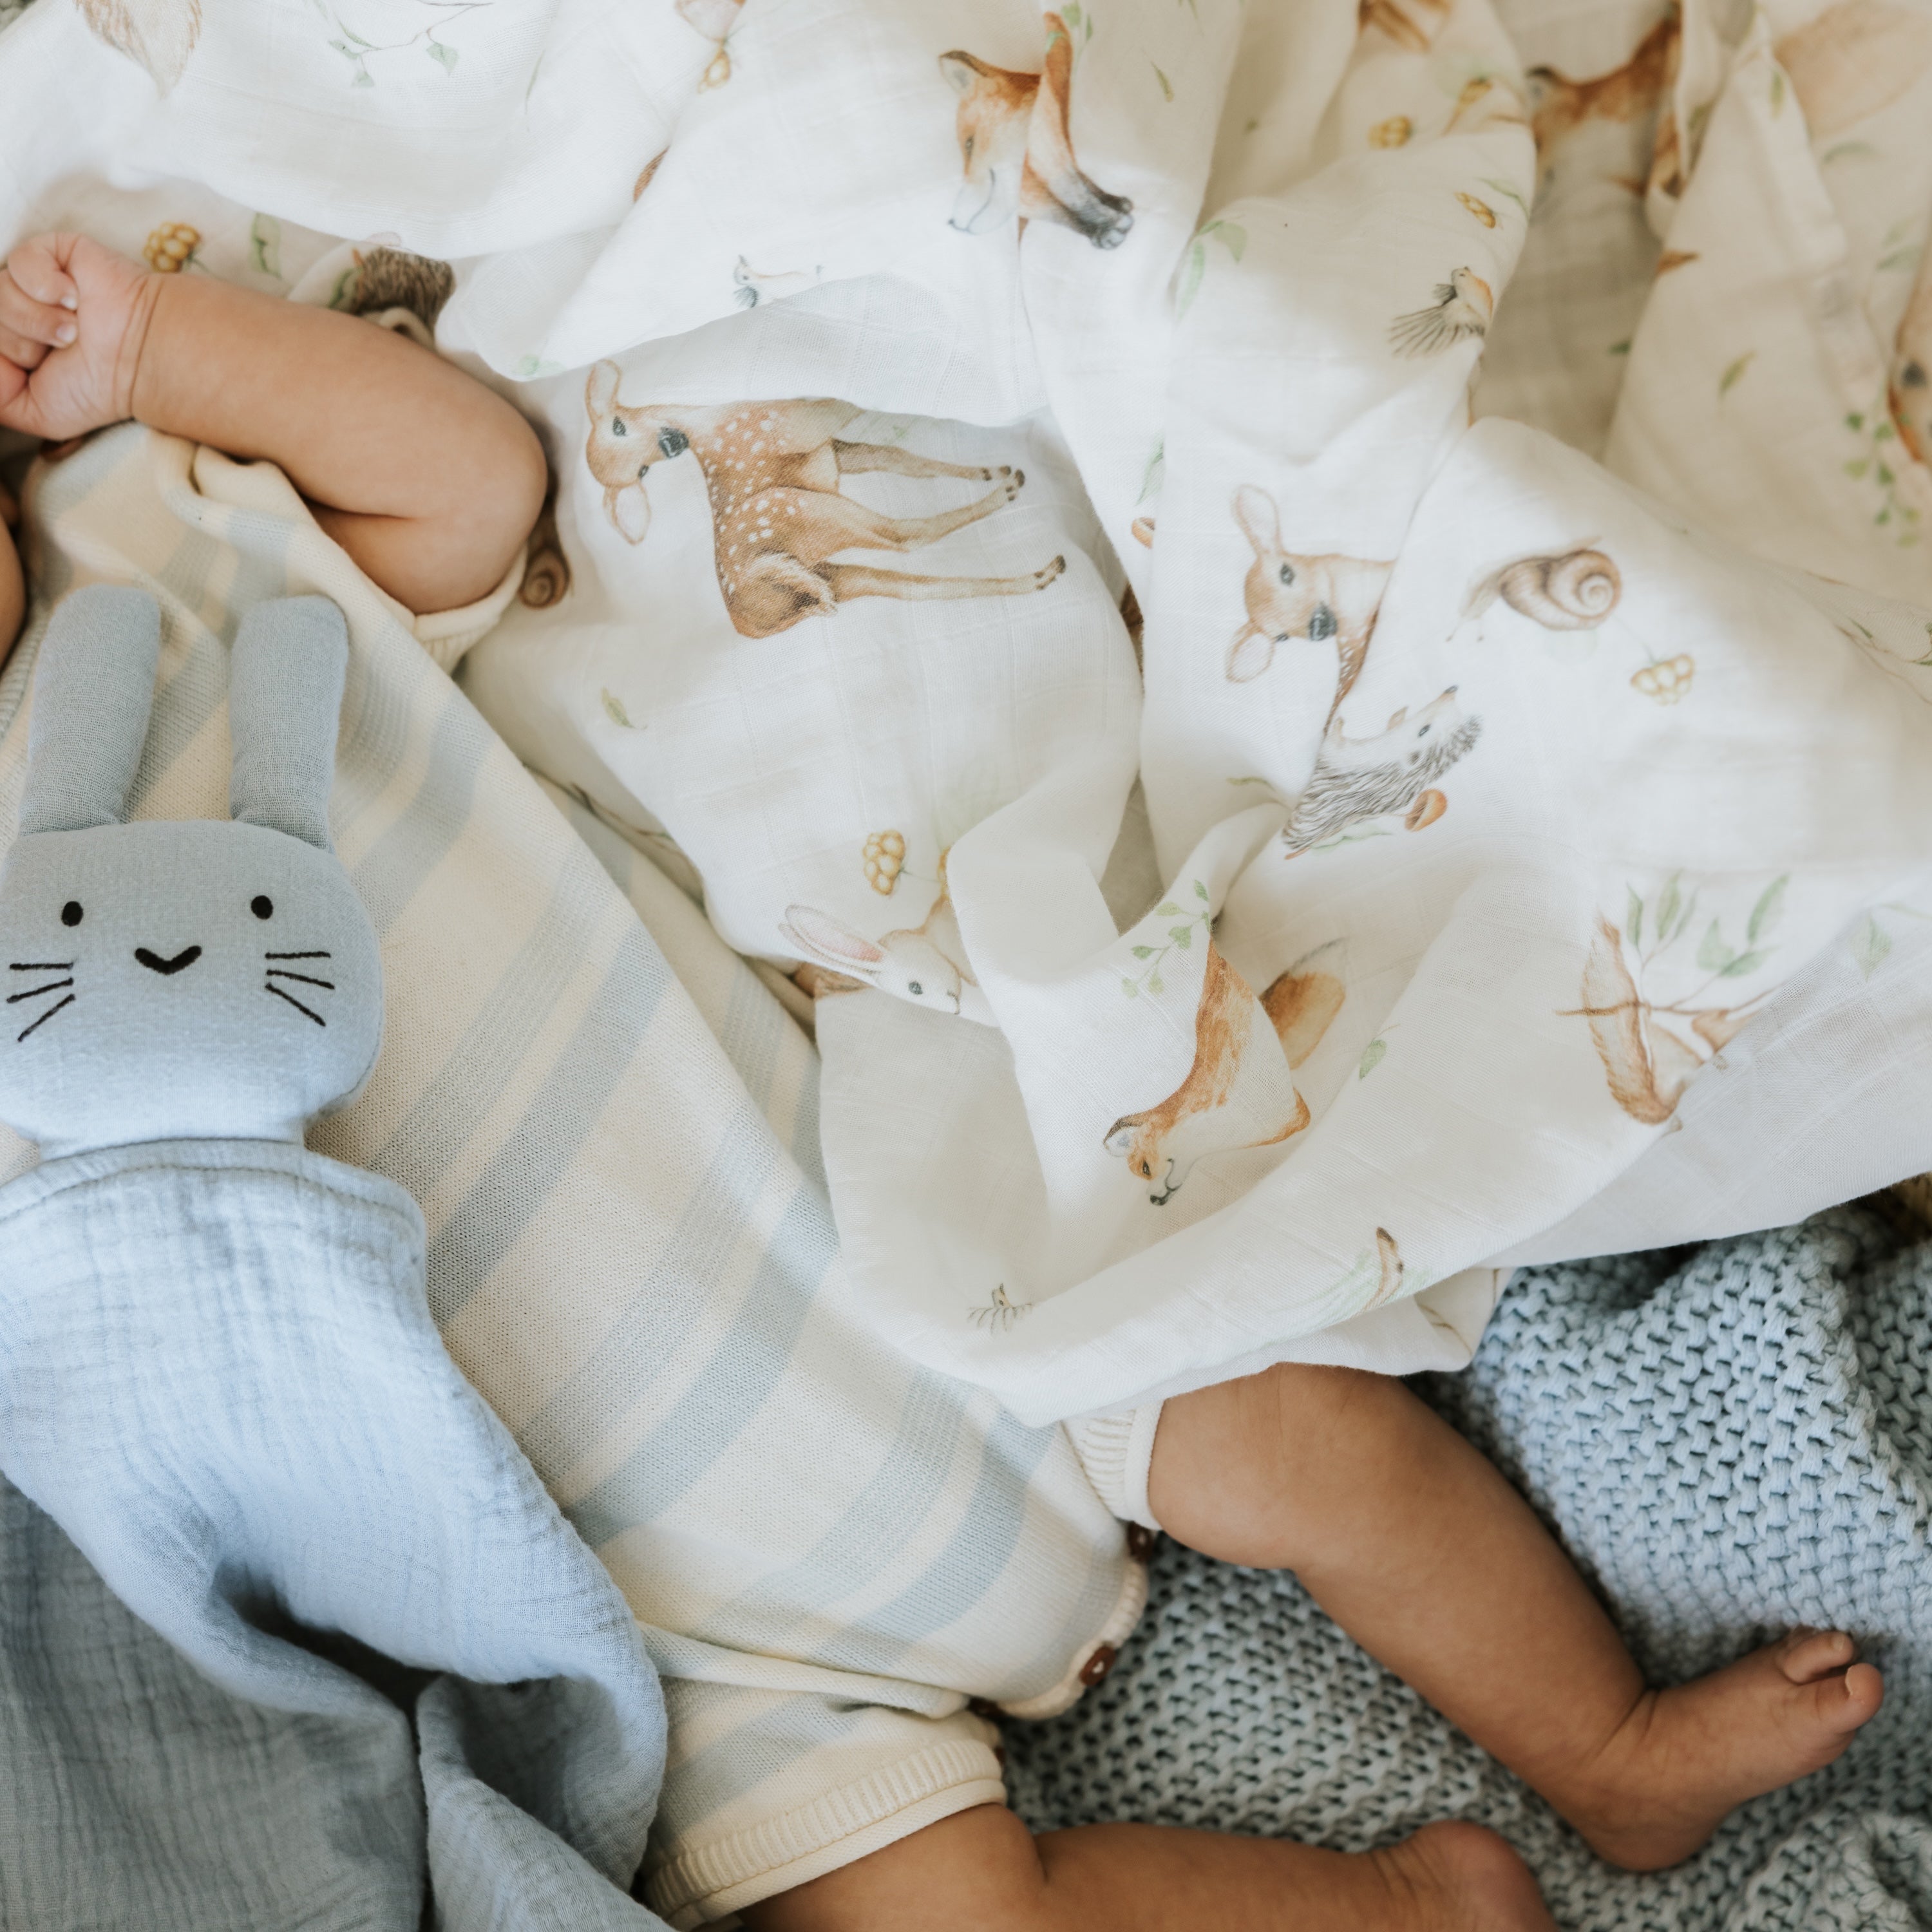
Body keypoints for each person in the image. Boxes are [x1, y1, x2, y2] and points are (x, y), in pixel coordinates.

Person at [0, 232, 1884, 1932]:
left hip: (921, 1269)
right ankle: (1409, 1909)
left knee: (1299, 1442)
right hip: (697, 1643)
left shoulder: (153, 555)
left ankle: (1604, 1748)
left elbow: (471, 486)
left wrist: (162, 349)